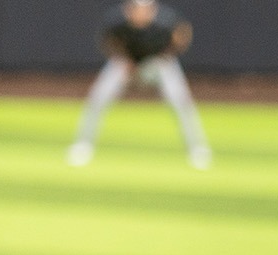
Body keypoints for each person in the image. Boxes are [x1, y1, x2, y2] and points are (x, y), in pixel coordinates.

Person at [66, 0, 211, 170]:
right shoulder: (118, 21)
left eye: (144, 9)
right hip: (126, 63)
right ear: (129, 9)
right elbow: (108, 41)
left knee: (180, 100)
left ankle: (197, 149)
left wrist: (164, 56)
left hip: (157, 63)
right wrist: (123, 59)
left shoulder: (165, 21)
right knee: (98, 97)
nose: (140, 13)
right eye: (136, 9)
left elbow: (182, 35)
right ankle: (82, 145)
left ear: (152, 9)